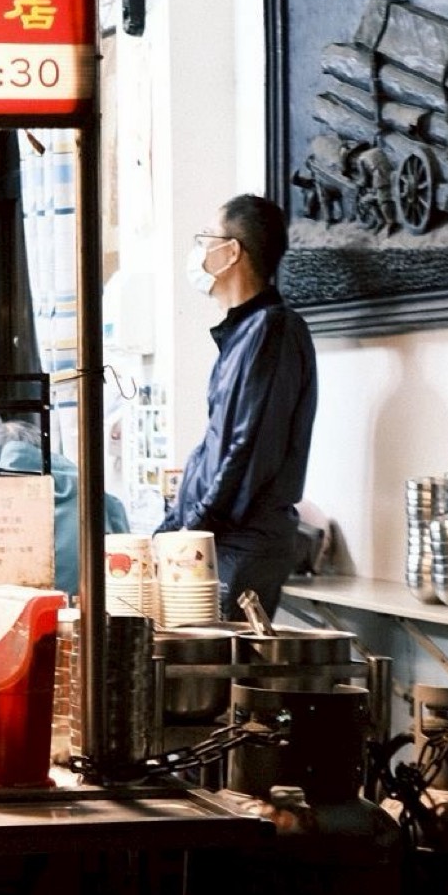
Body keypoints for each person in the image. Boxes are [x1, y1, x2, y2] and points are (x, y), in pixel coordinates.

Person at [159, 194, 319, 620]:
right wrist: (173, 526)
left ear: (231, 252)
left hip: (241, 544)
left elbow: (250, 449)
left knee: (222, 661)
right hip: (220, 538)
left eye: (206, 238)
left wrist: (195, 525)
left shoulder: (273, 330)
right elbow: (218, 447)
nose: (199, 250)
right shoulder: (244, 334)